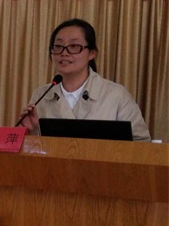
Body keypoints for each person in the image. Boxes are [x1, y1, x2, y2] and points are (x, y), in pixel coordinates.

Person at [18, 18, 151, 142]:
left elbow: (142, 143)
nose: (64, 52)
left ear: (91, 53)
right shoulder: (41, 95)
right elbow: (34, 149)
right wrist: (32, 131)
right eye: (58, 46)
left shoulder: (116, 95)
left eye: (74, 46)